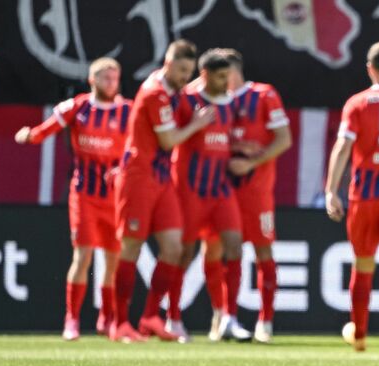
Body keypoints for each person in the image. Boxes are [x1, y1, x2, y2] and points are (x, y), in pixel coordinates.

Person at [14, 57, 129, 341]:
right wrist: (30, 135)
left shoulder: (127, 110)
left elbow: (138, 146)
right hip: (85, 193)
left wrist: (124, 167)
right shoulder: (78, 107)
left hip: (115, 196)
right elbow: (48, 129)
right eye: (105, 78)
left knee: (114, 260)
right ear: (92, 80)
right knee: (83, 255)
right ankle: (72, 320)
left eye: (115, 78)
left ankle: (109, 318)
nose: (111, 83)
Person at [111, 39, 215, 343]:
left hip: (161, 178)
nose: (185, 77)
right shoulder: (156, 93)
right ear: (167, 63)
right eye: (181, 70)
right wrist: (197, 123)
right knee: (130, 247)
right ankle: (120, 323)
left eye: (189, 71)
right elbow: (169, 140)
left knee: (174, 248)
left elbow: (187, 107)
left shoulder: (175, 91)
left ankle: (150, 317)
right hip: (138, 176)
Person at [325, 41, 379, 354]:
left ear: (369, 68)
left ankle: (359, 334)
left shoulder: (358, 103)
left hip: (364, 195)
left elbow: (343, 148)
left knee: (363, 265)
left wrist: (330, 189)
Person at [204, 49, 292, 344]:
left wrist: (251, 162)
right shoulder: (212, 101)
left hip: (256, 192)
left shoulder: (264, 95)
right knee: (216, 251)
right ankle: (223, 315)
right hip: (221, 189)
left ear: (231, 70)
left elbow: (284, 139)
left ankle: (265, 321)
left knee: (262, 251)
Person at [163, 49, 246, 343]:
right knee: (183, 253)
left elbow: (226, 137)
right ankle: (172, 318)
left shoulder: (232, 103)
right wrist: (194, 125)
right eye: (222, 77)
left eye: (229, 76)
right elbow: (168, 137)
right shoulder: (186, 100)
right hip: (190, 189)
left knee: (234, 246)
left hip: (220, 188)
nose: (227, 82)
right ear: (206, 75)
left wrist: (244, 150)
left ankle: (229, 317)